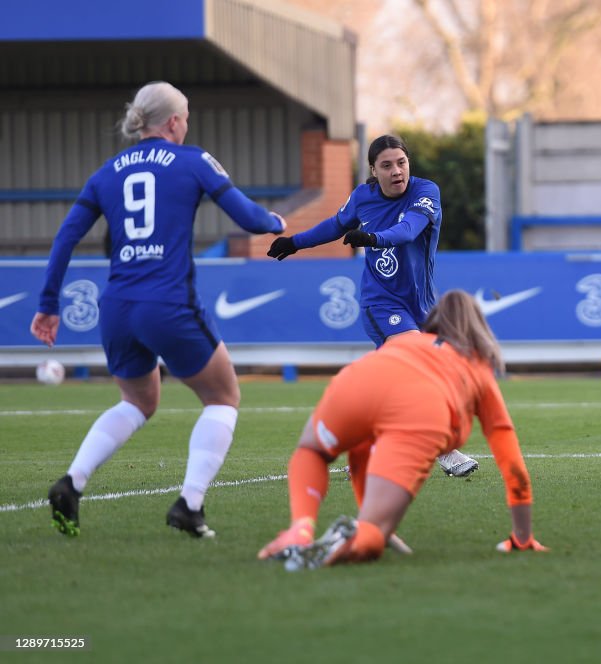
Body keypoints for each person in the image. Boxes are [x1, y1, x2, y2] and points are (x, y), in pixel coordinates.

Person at [32, 81, 288, 537]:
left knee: (137, 400)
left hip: (116, 306)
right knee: (223, 397)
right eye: (185, 117)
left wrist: (49, 303)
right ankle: (190, 505)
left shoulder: (106, 171)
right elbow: (249, 219)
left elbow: (65, 238)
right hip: (166, 302)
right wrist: (275, 222)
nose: (186, 125)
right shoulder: (191, 160)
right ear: (173, 122)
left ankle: (72, 481)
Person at [257, 290, 546, 565]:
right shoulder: (477, 365)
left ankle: (301, 529)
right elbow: (509, 455)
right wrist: (522, 536)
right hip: (419, 409)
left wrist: (377, 522)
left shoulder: (409, 341)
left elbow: (361, 451)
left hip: (357, 380)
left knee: (313, 450)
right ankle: (357, 538)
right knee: (370, 538)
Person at [266, 134, 479, 477]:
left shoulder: (426, 192)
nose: (396, 171)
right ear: (373, 170)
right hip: (381, 303)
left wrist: (373, 238)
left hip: (422, 306)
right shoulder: (362, 197)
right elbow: (336, 225)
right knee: (415, 366)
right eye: (387, 165)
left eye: (401, 163)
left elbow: (408, 230)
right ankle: (444, 451)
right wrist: (295, 242)